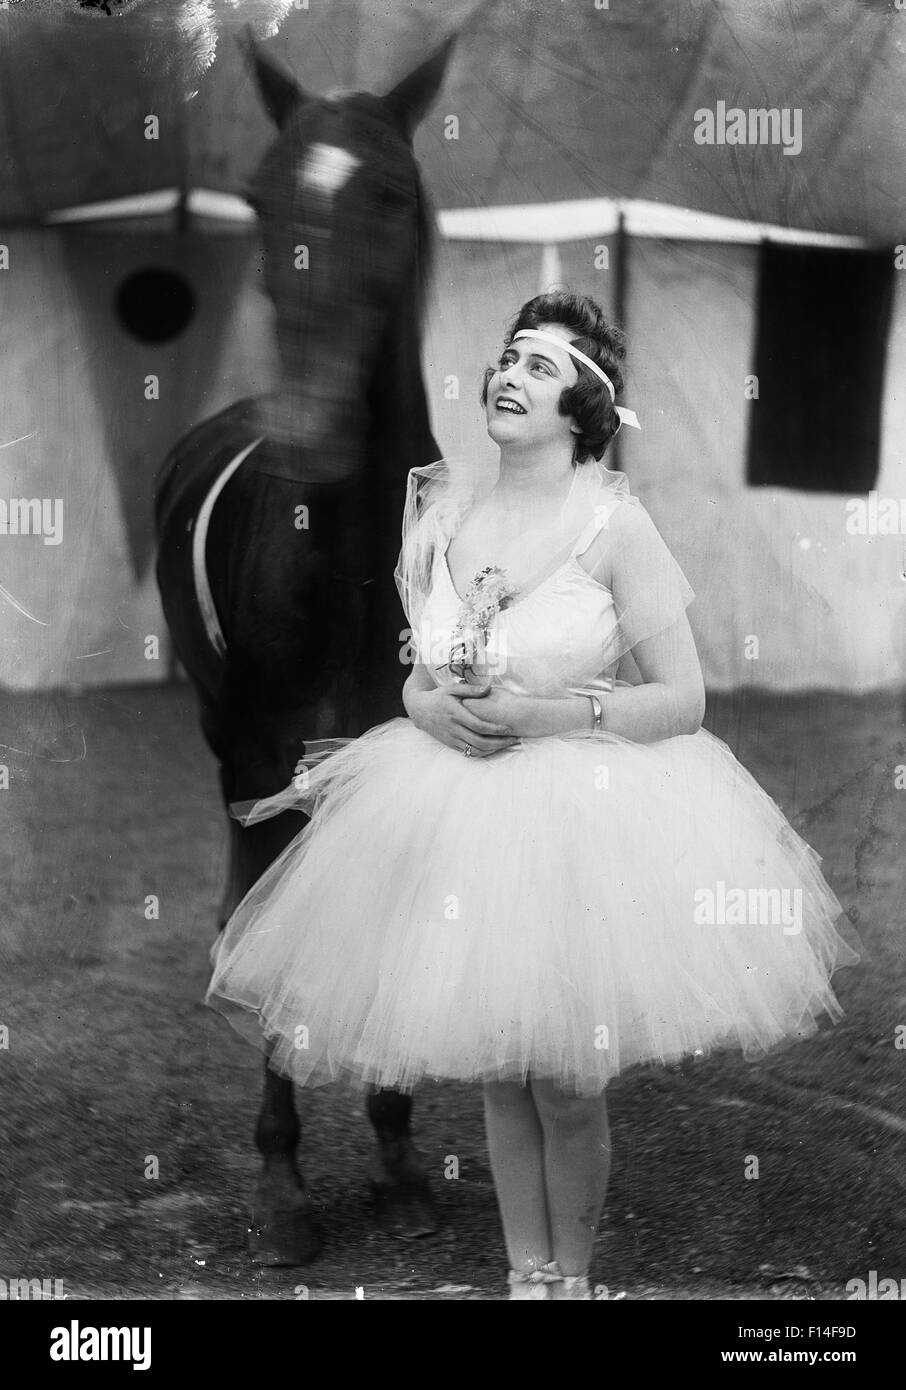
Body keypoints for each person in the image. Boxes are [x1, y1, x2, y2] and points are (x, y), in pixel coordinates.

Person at [206, 290, 857, 1300]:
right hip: (454, 807)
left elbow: (682, 699)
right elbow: (418, 666)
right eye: (508, 356)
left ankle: (577, 1276)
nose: (511, 375)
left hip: (576, 814)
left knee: (563, 1076)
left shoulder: (615, 527)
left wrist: (559, 715)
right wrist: (424, 704)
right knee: (501, 1066)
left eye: (542, 368)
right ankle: (526, 1275)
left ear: (582, 412)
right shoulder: (442, 514)